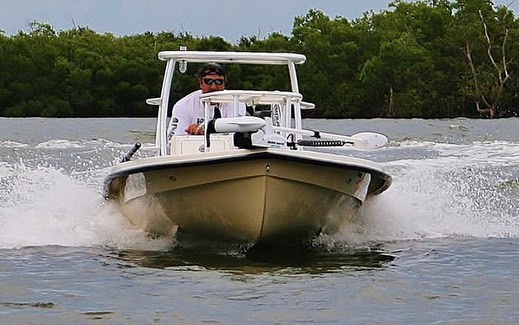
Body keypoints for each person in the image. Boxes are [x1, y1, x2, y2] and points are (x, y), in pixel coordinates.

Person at [167, 62, 246, 139]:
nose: (213, 87)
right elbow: (173, 140)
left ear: (224, 83)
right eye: (208, 81)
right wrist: (193, 135)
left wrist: (204, 131)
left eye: (219, 82)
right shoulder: (183, 105)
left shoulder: (236, 103)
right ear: (201, 83)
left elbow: (234, 137)